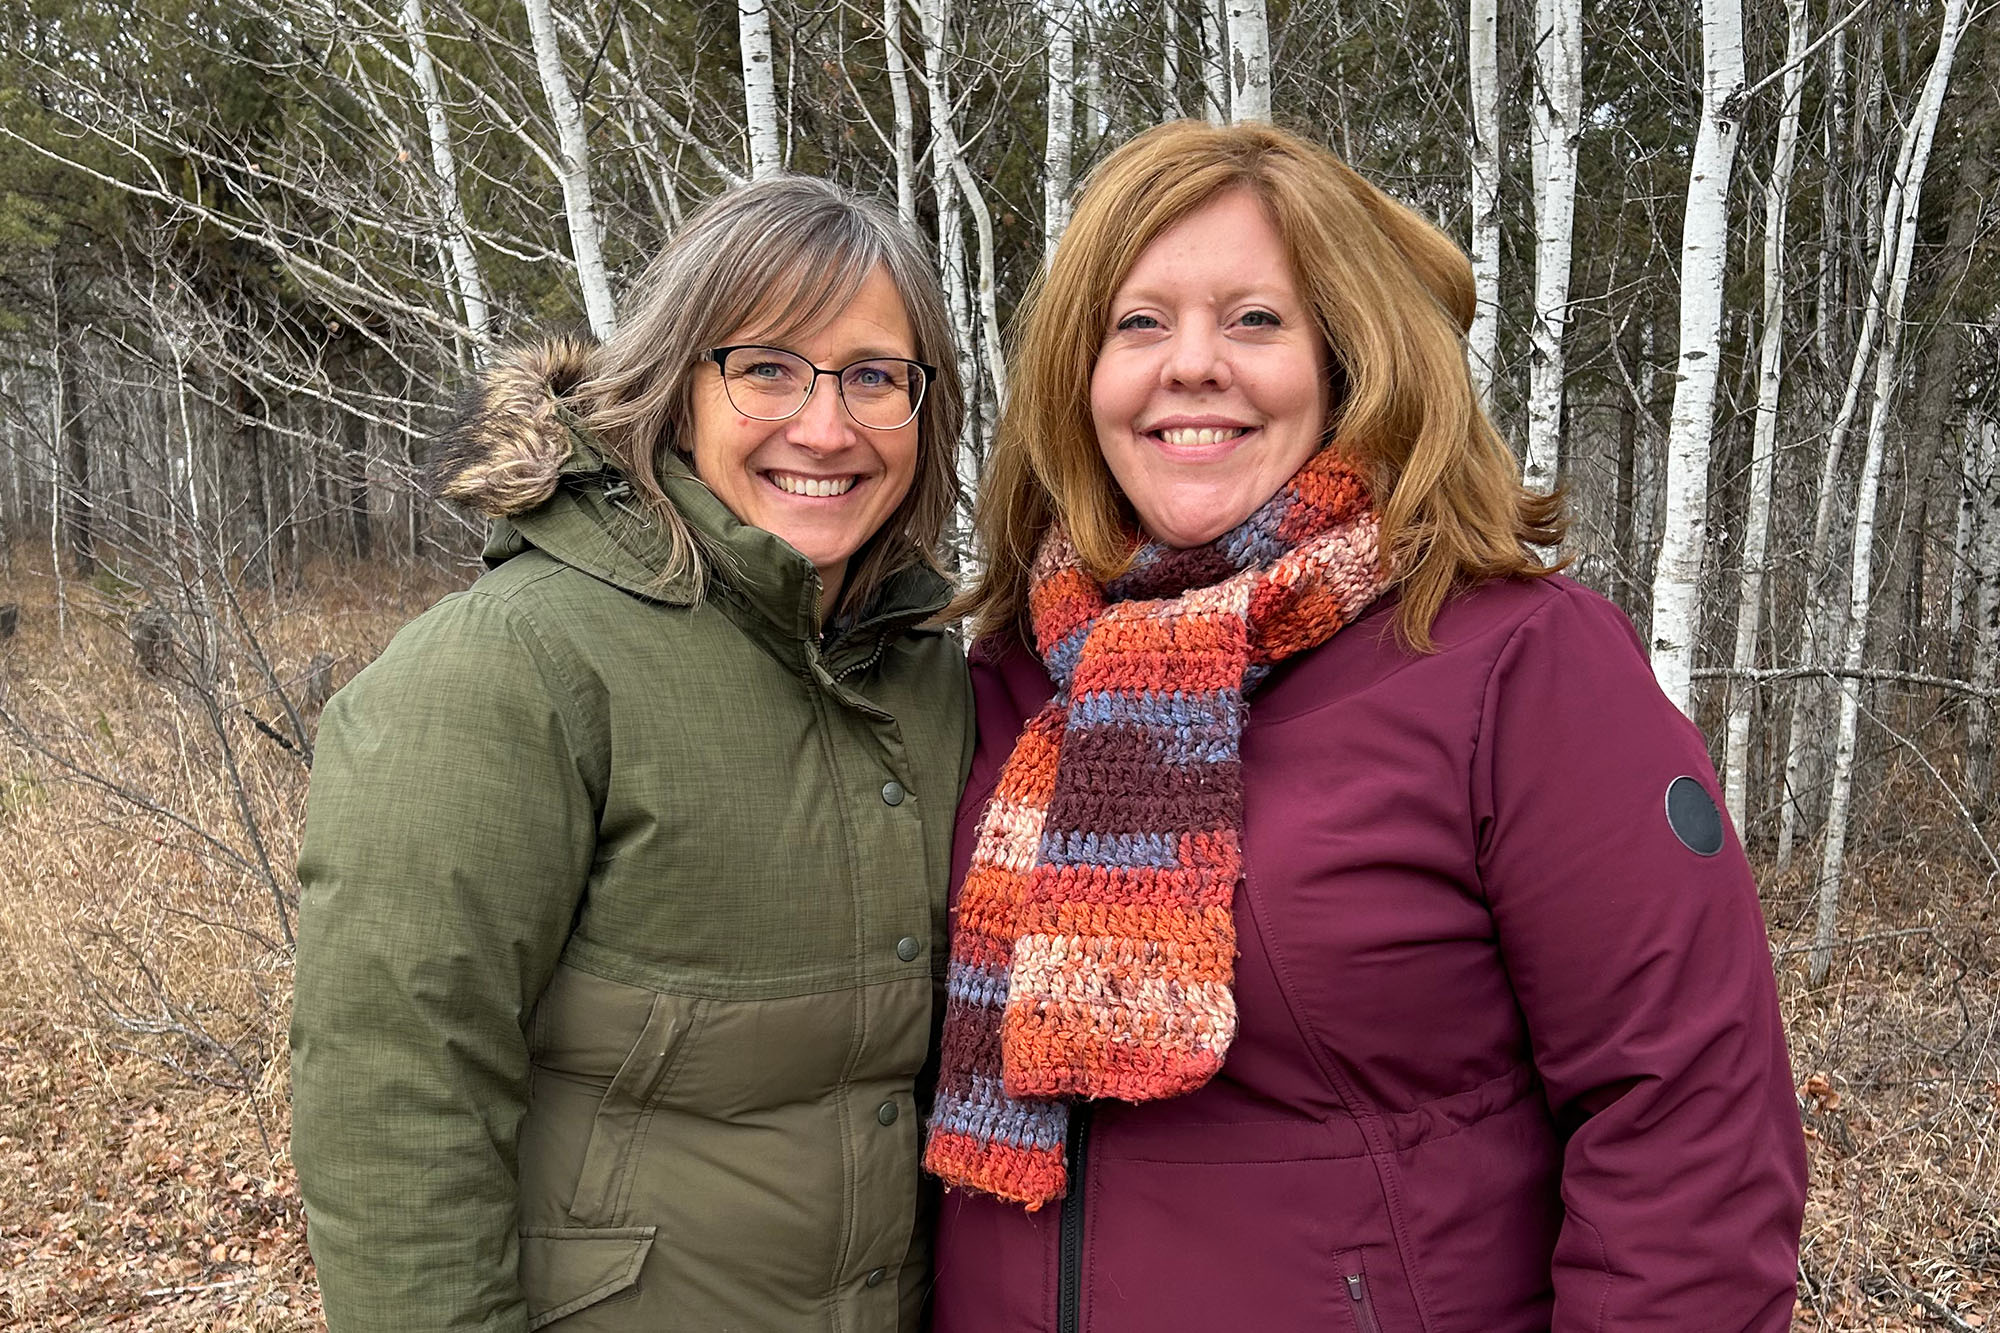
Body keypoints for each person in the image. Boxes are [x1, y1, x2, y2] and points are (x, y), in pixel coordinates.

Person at [923, 121, 1805, 1332]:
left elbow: (1687, 1126)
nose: (1189, 365)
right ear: (1080, 377)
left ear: (1350, 358)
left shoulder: (1515, 665)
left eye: (1253, 319)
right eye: (1137, 323)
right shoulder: (1012, 678)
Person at [291, 176, 972, 1333]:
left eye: (873, 376)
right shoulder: (513, 665)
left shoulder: (926, 669)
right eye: (765, 367)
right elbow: (394, 1099)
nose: (825, 425)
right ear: (675, 387)